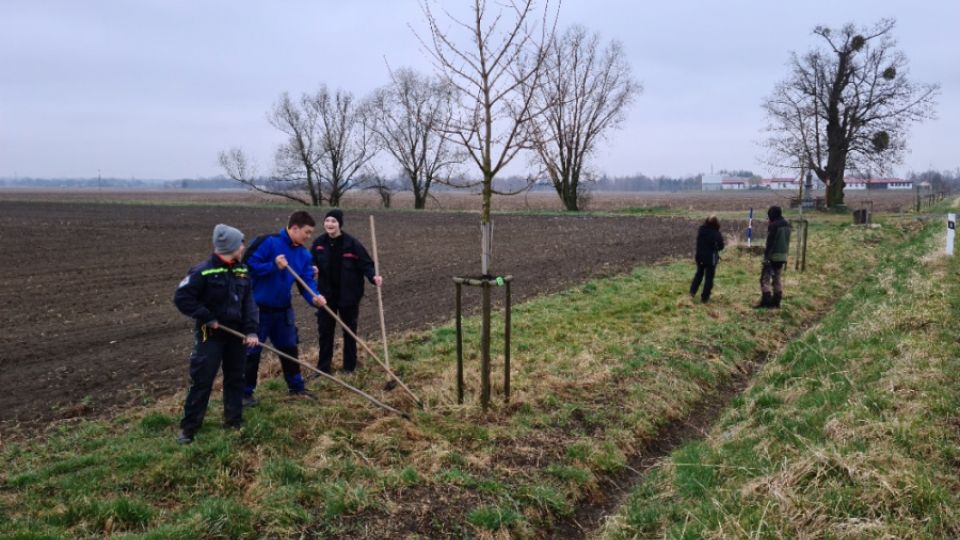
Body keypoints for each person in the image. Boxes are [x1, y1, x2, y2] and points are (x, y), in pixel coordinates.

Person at [173, 224, 259, 444]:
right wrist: (207, 317)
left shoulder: (242, 271)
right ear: (231, 246)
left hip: (236, 334)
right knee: (202, 380)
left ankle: (234, 420)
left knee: (235, 378)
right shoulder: (202, 271)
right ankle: (189, 428)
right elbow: (182, 298)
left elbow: (249, 303)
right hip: (210, 335)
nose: (243, 246)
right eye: (241, 242)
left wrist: (251, 330)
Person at [244, 211, 326, 406]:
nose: (308, 236)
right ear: (294, 228)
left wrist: (314, 298)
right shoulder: (267, 242)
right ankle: (245, 393)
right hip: (258, 309)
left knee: (289, 348)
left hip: (282, 310)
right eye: (307, 232)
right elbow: (246, 265)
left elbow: (306, 281)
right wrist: (273, 265)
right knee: (252, 351)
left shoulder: (304, 254)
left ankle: (296, 387)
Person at [311, 209, 383, 374]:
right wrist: (311, 268)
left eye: (333, 221)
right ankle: (323, 368)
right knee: (325, 332)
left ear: (339, 224)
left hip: (348, 296)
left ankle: (349, 368)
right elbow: (310, 262)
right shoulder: (319, 244)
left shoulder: (352, 244)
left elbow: (366, 264)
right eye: (327, 220)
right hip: (326, 296)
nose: (330, 224)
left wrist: (374, 277)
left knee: (349, 332)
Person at [755, 205, 791, 309]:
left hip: (772, 256)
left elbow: (770, 243)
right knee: (777, 279)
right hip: (783, 256)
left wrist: (766, 257)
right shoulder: (787, 224)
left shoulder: (774, 226)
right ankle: (776, 302)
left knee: (764, 279)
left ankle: (766, 302)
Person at [690, 215, 725, 303]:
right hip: (710, 259)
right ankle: (705, 298)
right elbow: (721, 246)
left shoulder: (701, 230)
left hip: (700, 257)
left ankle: (691, 293)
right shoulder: (716, 233)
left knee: (699, 275)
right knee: (709, 278)